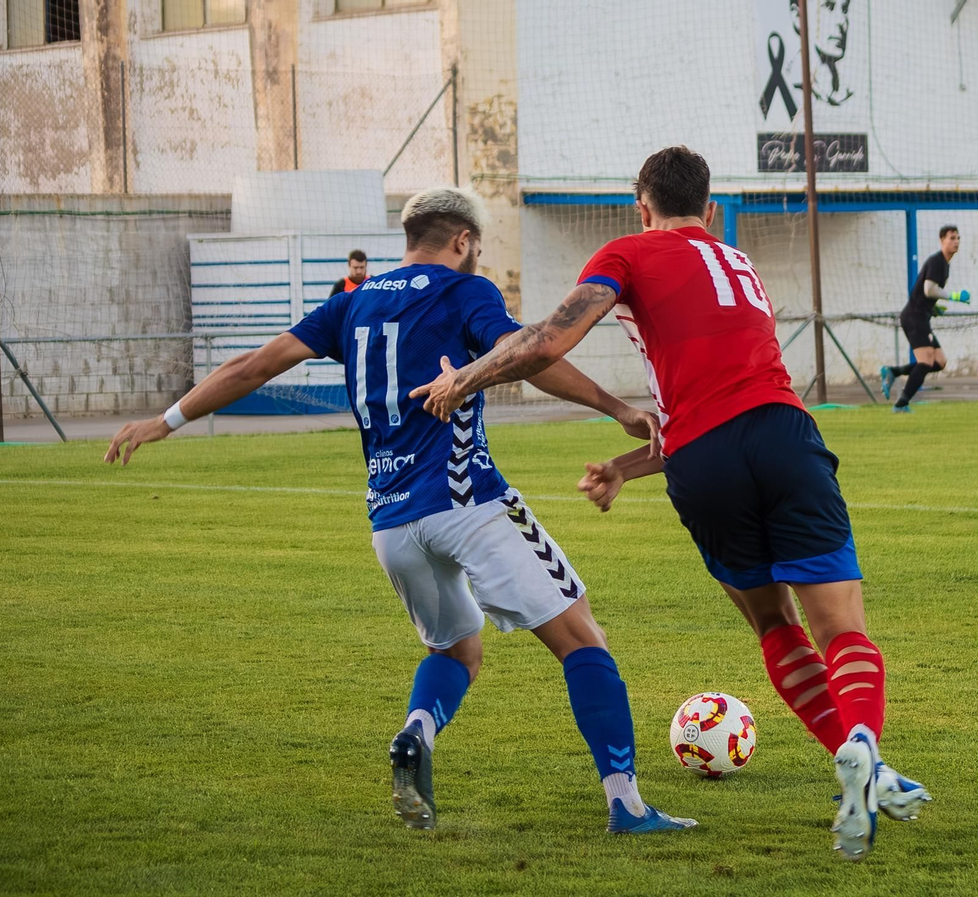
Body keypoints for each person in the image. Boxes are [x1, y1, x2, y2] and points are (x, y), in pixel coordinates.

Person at [104, 186, 694, 837]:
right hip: (468, 500)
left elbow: (255, 365)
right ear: (463, 241)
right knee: (583, 639)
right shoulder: (464, 291)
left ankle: (418, 731)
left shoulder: (351, 304)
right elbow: (531, 355)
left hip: (389, 520)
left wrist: (166, 420)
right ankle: (627, 805)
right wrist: (618, 409)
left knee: (456, 648)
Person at [410, 146, 930, 862]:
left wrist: (464, 377)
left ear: (640, 204)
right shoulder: (741, 267)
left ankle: (851, 748)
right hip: (785, 436)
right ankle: (865, 746)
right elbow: (737, 401)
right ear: (711, 209)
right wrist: (628, 465)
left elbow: (547, 342)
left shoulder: (628, 252)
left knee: (775, 622)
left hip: (704, 462)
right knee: (841, 625)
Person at [881, 226, 969, 413]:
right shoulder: (936, 261)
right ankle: (901, 404)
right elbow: (929, 289)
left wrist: (933, 307)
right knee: (926, 361)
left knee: (939, 362)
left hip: (921, 316)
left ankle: (893, 372)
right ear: (942, 240)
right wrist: (954, 296)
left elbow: (926, 292)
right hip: (914, 317)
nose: (956, 241)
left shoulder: (945, 264)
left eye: (958, 238)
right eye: (952, 238)